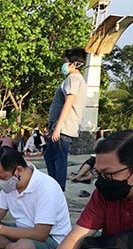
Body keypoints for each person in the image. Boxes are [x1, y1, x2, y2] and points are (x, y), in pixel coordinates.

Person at [45, 47, 88, 191]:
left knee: (58, 159)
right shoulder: (71, 79)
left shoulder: (73, 78)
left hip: (64, 127)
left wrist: (58, 127)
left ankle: (57, 188)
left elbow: (69, 102)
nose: (64, 64)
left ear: (75, 64)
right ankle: (53, 187)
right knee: (50, 156)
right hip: (59, 126)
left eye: (66, 62)